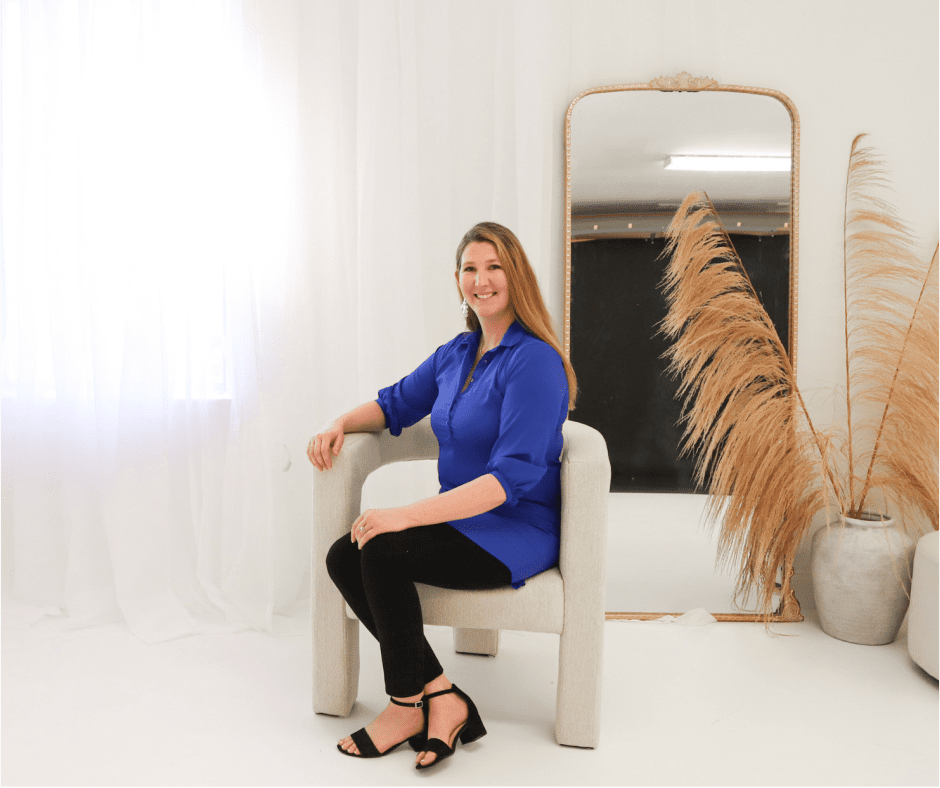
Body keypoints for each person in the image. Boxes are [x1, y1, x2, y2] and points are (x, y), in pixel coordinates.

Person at [307, 221, 577, 770]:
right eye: (470, 269)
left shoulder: (536, 362)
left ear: (516, 276)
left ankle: (405, 705)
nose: (481, 280)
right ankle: (443, 695)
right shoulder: (458, 353)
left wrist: (405, 516)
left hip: (516, 528)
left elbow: (507, 481)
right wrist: (339, 423)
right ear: (458, 281)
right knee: (343, 555)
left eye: (494, 267)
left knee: (382, 548)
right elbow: (394, 404)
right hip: (463, 520)